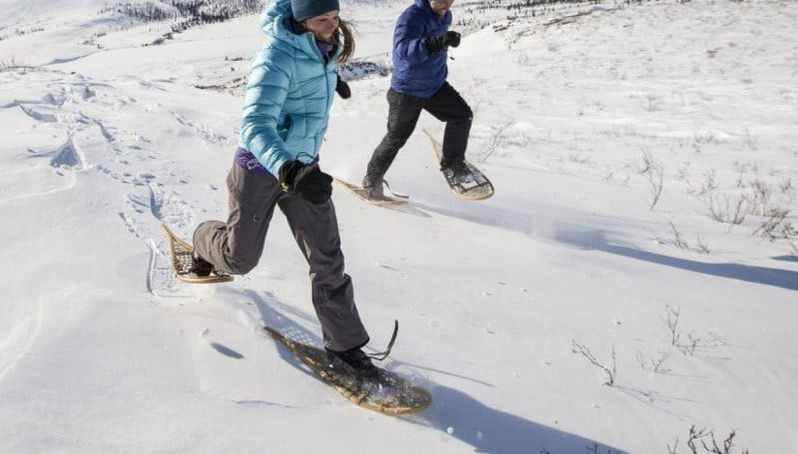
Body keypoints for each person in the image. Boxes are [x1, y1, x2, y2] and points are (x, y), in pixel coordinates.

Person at [189, 0, 377, 377]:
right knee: (240, 260)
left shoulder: (323, 49)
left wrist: (330, 81)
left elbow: (301, 88)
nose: (332, 23)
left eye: (335, 15)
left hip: (304, 171)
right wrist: (288, 167)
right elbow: (255, 125)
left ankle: (345, 347)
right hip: (261, 170)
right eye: (323, 18)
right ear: (301, 19)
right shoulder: (275, 57)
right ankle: (203, 239)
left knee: (328, 260)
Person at [362, 0, 472, 199]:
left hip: (433, 85)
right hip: (407, 91)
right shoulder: (412, 17)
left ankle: (453, 164)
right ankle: (372, 181)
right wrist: (437, 42)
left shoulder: (445, 15)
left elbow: (437, 46)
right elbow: (402, 51)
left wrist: (444, 41)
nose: (448, 2)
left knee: (462, 116)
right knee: (396, 138)